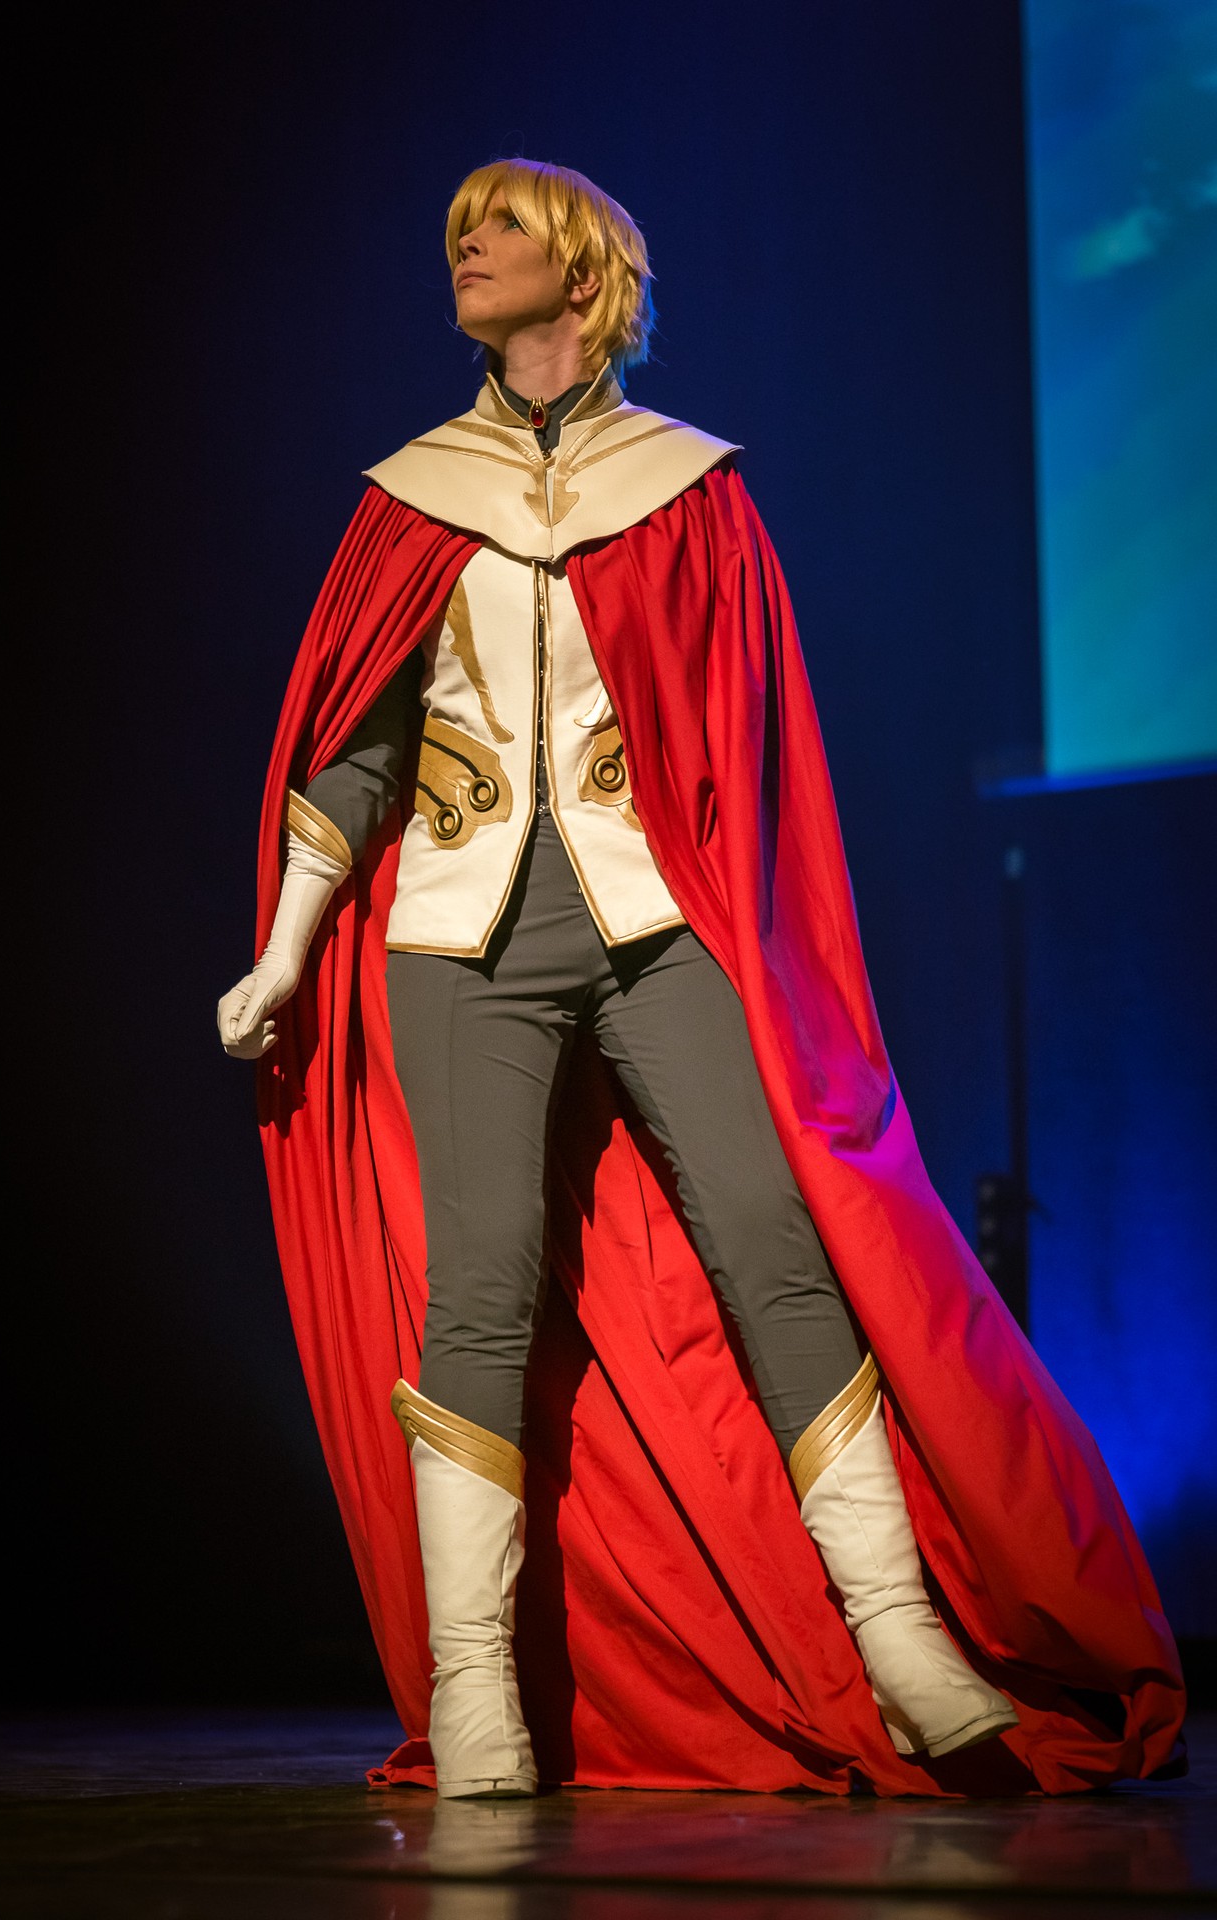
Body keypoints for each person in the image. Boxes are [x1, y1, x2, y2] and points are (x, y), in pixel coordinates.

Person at [218, 159, 1184, 1800]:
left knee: (774, 1243)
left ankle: (903, 1647)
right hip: (459, 938)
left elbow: (747, 746)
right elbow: (362, 749)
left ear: (586, 274)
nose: (467, 249)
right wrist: (286, 945)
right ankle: (474, 1690)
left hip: (657, 924)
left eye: (501, 229)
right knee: (481, 1288)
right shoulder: (412, 499)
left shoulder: (686, 489)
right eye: (457, 233)